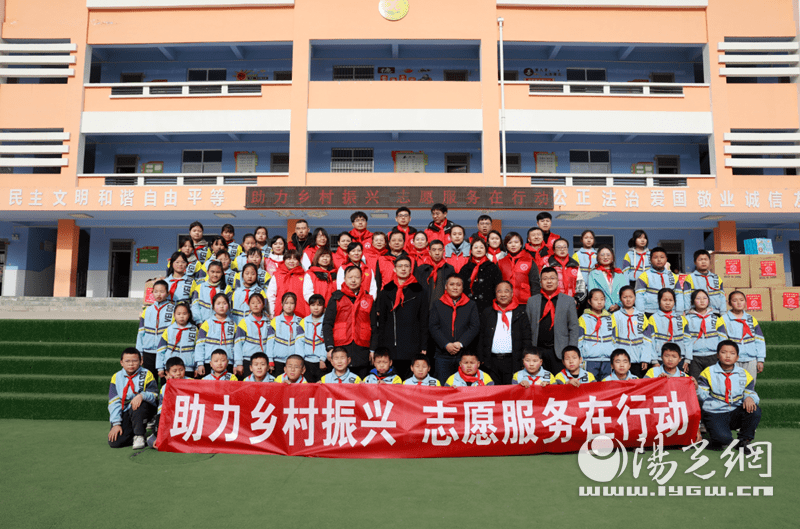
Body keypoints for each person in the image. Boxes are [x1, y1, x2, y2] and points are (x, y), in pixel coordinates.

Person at [697, 340, 761, 452]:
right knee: (722, 440)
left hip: (735, 410)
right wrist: (696, 388)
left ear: (737, 357)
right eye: (723, 352)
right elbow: (703, 397)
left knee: (754, 410)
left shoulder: (744, 373)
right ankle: (720, 438)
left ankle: (744, 441)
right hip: (715, 412)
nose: (727, 356)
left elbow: (750, 392)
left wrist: (750, 398)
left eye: (732, 353)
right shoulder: (708, 372)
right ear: (717, 355)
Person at [375, 256, 429, 378]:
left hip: (412, 345)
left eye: (406, 266)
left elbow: (424, 321)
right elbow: (382, 321)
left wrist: (423, 346)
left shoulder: (420, 291)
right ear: (394, 269)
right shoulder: (386, 291)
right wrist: (381, 346)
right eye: (400, 266)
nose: (403, 269)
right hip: (391, 345)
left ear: (411, 269)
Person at [323, 265, 378, 380]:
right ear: (344, 279)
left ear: (362, 279)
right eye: (350, 277)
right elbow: (327, 324)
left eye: (357, 277)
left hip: (362, 348)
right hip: (341, 346)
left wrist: (372, 349)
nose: (353, 280)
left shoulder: (368, 299)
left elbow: (374, 326)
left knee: (361, 383)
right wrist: (329, 347)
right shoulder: (335, 298)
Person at [526, 267, 580, 374]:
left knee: (559, 385)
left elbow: (573, 327)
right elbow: (527, 327)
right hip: (537, 351)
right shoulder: (532, 301)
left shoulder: (568, 300)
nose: (549, 281)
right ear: (540, 282)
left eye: (552, 278)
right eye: (545, 278)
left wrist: (571, 351)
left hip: (559, 352)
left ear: (557, 281)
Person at [429, 274, 481, 384]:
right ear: (446, 287)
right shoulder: (437, 304)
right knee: (444, 387)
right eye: (452, 284)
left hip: (464, 355)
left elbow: (474, 326)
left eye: (458, 285)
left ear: (463, 287)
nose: (455, 287)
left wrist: (460, 343)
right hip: (442, 354)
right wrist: (446, 344)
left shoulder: (471, 305)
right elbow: (433, 326)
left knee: (464, 388)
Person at [478, 281, 532, 385]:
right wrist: (481, 358)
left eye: (506, 291)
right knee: (493, 392)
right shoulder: (487, 312)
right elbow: (481, 336)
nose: (503, 294)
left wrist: (524, 359)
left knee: (511, 392)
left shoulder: (520, 313)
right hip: (491, 361)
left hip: (512, 360)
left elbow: (527, 338)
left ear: (512, 294)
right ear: (495, 294)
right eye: (499, 291)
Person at [108, 348, 158, 449]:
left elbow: (154, 395)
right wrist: (116, 423)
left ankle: (139, 435)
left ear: (141, 361)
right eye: (127, 361)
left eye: (135, 361)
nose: (131, 364)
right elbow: (114, 402)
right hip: (126, 410)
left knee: (138, 404)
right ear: (121, 363)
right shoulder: (116, 377)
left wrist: (141, 396)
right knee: (115, 442)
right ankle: (145, 435)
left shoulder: (147, 374)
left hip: (144, 409)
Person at [721, 291, 766, 382]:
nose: (739, 303)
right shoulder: (723, 319)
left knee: (750, 385)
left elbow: (759, 340)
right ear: (729, 303)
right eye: (735, 300)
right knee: (734, 384)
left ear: (745, 302)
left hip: (751, 359)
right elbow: (721, 341)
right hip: (733, 359)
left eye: (741, 300)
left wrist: (760, 359)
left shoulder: (751, 319)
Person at [146, 356, 190, 449]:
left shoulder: (192, 382)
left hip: (187, 415)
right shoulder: (165, 387)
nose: (178, 373)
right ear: (167, 373)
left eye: (181, 370)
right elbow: (162, 408)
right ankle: (155, 438)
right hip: (171, 415)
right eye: (174, 371)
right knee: (160, 422)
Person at [684, 289, 728, 379]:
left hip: (713, 356)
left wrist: (721, 354)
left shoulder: (716, 318)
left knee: (713, 382)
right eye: (698, 298)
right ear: (693, 301)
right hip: (694, 357)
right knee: (694, 383)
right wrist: (687, 358)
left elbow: (723, 338)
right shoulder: (687, 319)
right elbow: (686, 340)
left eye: (705, 298)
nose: (702, 300)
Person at [135, 280, 174, 380]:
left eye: (162, 291)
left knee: (166, 379)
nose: (158, 294)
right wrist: (140, 352)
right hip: (148, 351)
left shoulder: (173, 309)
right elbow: (140, 333)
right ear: (152, 293)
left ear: (168, 293)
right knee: (151, 380)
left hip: (165, 350)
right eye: (156, 291)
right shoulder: (147, 310)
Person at [643, 288, 687, 371]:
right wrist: (654, 361)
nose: (667, 303)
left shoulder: (681, 319)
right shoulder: (653, 319)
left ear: (674, 302)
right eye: (664, 300)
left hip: (679, 359)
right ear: (659, 301)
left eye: (671, 300)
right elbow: (649, 341)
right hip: (660, 359)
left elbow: (687, 341)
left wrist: (687, 358)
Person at [612, 285, 650, 378]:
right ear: (620, 299)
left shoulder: (642, 316)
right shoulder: (615, 316)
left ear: (635, 298)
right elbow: (611, 339)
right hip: (621, 361)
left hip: (638, 360)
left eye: (631, 297)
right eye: (625, 297)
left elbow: (647, 340)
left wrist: (645, 358)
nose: (628, 300)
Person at [196, 293, 238, 378]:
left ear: (229, 306)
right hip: (209, 363)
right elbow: (200, 345)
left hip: (227, 363)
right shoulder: (206, 324)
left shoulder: (233, 325)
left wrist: (236, 363)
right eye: (218, 304)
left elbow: (236, 346)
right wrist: (200, 363)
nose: (222, 306)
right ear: (213, 306)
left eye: (224, 303)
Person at [578, 289, 616, 381]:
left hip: (607, 360)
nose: (599, 302)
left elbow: (614, 340)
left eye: (602, 299)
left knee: (606, 387)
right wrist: (580, 358)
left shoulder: (610, 318)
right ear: (589, 301)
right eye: (596, 299)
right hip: (590, 360)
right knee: (591, 387)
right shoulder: (583, 319)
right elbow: (579, 341)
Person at [459, 238, 503, 315]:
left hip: (488, 308)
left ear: (486, 250)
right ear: (471, 250)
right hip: (467, 307)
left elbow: (498, 287)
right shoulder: (465, 268)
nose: (478, 250)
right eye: (475, 247)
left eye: (481, 247)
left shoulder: (493, 267)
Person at [635, 246, 683, 316]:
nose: (659, 260)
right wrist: (640, 314)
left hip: (670, 312)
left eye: (662, 257)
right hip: (650, 312)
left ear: (666, 259)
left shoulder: (673, 276)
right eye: (655, 257)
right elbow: (639, 296)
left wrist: (679, 312)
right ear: (650, 260)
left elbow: (679, 295)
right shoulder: (644, 276)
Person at [234, 293, 272, 379]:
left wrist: (270, 360)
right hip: (248, 360)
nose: (255, 305)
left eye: (258, 303)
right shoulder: (244, 322)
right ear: (249, 305)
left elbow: (270, 343)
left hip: (263, 360)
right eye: (252, 303)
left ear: (263, 305)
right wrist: (239, 363)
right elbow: (238, 344)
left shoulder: (268, 322)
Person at [266, 292, 304, 376]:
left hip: (293, 362)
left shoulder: (300, 321)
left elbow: (301, 344)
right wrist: (270, 360)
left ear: (295, 304)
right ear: (281, 304)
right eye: (286, 303)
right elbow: (269, 343)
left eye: (292, 303)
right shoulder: (275, 321)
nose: (289, 306)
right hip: (277, 361)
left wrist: (300, 360)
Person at [497, 231, 540, 306]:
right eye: (510, 243)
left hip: (525, 303)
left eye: (516, 242)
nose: (513, 245)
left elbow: (535, 285)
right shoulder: (500, 262)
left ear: (521, 244)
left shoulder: (529, 261)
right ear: (506, 245)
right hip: (505, 302)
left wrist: (535, 303)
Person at [156, 302, 197, 379]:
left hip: (188, 368)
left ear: (189, 315)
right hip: (171, 369)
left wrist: (197, 367)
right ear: (174, 315)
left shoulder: (194, 330)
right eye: (178, 314)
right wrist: (160, 367)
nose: (181, 316)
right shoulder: (168, 330)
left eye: (184, 314)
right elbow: (161, 350)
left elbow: (197, 350)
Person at [267, 249, 310, 318]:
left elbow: (308, 294)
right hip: (280, 313)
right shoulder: (277, 275)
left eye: (295, 259)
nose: (292, 261)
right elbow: (271, 295)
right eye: (289, 259)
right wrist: (272, 313)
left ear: (299, 261)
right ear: (284, 260)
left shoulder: (305, 276)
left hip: (300, 313)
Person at [415, 239, 455, 311]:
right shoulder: (422, 269)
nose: (437, 253)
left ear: (443, 252)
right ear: (430, 252)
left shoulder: (449, 269)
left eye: (440, 250)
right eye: (434, 250)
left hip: (444, 308)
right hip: (426, 308)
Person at [683, 249, 725, 315]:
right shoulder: (690, 278)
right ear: (695, 262)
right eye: (700, 260)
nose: (703, 262)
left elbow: (722, 297)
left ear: (709, 261)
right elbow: (687, 297)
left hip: (715, 312)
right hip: (697, 314)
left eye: (706, 259)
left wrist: (723, 313)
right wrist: (688, 313)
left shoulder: (717, 278)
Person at [546, 238, 586, 306]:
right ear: (554, 250)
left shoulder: (575, 266)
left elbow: (581, 286)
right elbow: (543, 286)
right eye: (559, 247)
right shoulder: (548, 265)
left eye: (564, 247)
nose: (562, 249)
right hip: (552, 304)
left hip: (571, 303)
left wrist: (576, 300)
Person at [586, 246, 627, 312]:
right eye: (602, 255)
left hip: (619, 310)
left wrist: (618, 305)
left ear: (613, 257)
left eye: (608, 255)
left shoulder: (619, 273)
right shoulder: (593, 274)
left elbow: (625, 292)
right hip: (600, 310)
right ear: (598, 258)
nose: (605, 257)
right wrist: (608, 305)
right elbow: (592, 292)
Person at [299, 294, 328, 382]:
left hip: (322, 362)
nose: (316, 308)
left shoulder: (327, 322)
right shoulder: (303, 322)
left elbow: (327, 342)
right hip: (306, 361)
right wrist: (301, 361)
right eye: (313, 305)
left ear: (323, 307)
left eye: (319, 305)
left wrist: (323, 358)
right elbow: (299, 343)